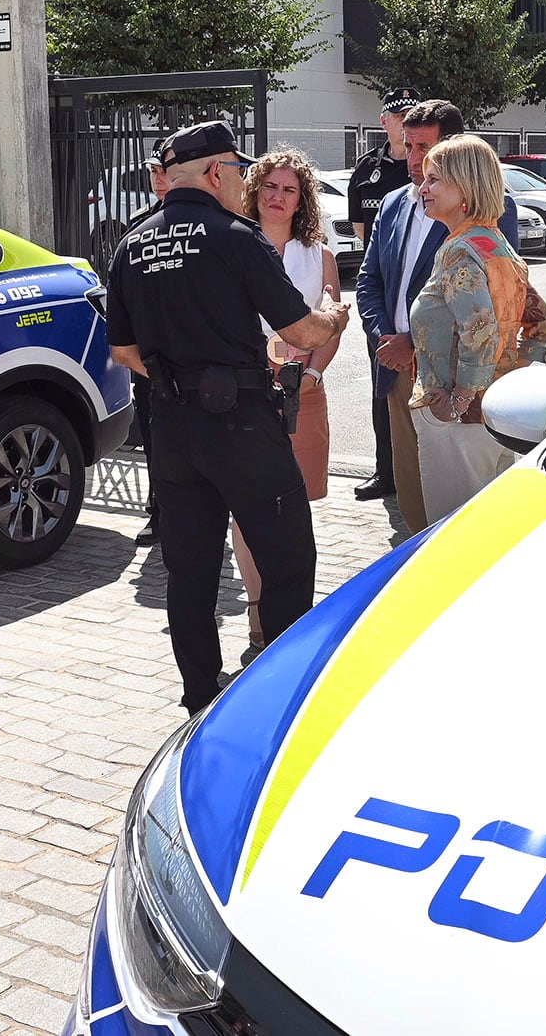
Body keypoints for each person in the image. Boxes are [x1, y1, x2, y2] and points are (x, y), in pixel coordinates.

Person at [105, 120, 349, 715]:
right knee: (288, 559)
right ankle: (283, 696)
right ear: (216, 172)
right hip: (241, 424)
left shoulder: (132, 243)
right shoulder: (237, 237)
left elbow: (123, 351)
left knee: (189, 570)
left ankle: (199, 696)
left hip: (171, 426)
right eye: (238, 171)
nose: (244, 181)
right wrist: (333, 317)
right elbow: (298, 329)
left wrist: (177, 371)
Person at [356, 98, 521, 534]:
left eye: (423, 150)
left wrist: (466, 394)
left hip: (450, 391)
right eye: (407, 147)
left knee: (456, 522)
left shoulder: (479, 230)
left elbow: (488, 321)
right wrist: (384, 339)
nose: (412, 161)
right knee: (417, 497)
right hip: (400, 369)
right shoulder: (394, 204)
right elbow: (369, 279)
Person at [229, 148, 342, 655]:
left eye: (289, 189)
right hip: (243, 387)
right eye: (269, 187)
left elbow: (334, 321)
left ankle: (291, 611)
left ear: (302, 200)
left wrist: (314, 374)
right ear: (255, 191)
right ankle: (258, 616)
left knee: (294, 505)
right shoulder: (232, 246)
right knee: (246, 507)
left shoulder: (318, 255)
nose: (277, 197)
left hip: (303, 387)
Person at [407, 135, 541, 521]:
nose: (423, 188)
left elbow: (480, 329)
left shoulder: (459, 249)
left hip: (458, 419)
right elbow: (543, 324)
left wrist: (461, 397)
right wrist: (509, 375)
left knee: (453, 535)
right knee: (490, 531)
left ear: (464, 186)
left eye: (434, 180)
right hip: (495, 416)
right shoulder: (497, 244)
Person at [347, 87, 420, 501]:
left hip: (423, 323)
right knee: (384, 392)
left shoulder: (429, 178)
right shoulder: (368, 169)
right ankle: (385, 470)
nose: (404, 120)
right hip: (384, 309)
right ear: (385, 121)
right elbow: (362, 230)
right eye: (399, 115)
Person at [122, 137, 173, 545]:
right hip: (149, 352)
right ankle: (158, 511)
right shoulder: (139, 222)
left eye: (164, 170)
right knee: (154, 437)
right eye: (153, 171)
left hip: (194, 349)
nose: (158, 179)